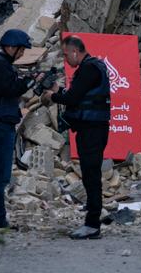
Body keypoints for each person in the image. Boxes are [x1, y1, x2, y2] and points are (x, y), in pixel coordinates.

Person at [43, 35, 110, 239]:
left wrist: (52, 96)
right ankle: (93, 213)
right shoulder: (90, 68)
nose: (66, 59)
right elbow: (78, 95)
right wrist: (59, 90)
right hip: (90, 129)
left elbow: (72, 98)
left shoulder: (88, 68)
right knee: (90, 174)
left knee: (91, 175)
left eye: (66, 54)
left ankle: (92, 224)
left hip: (92, 130)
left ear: (75, 51)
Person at [0, 28, 33, 229]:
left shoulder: (0, 64)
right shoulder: (0, 65)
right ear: (10, 47)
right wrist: (28, 82)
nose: (21, 55)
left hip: (0, 125)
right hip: (0, 126)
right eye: (20, 50)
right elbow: (9, 90)